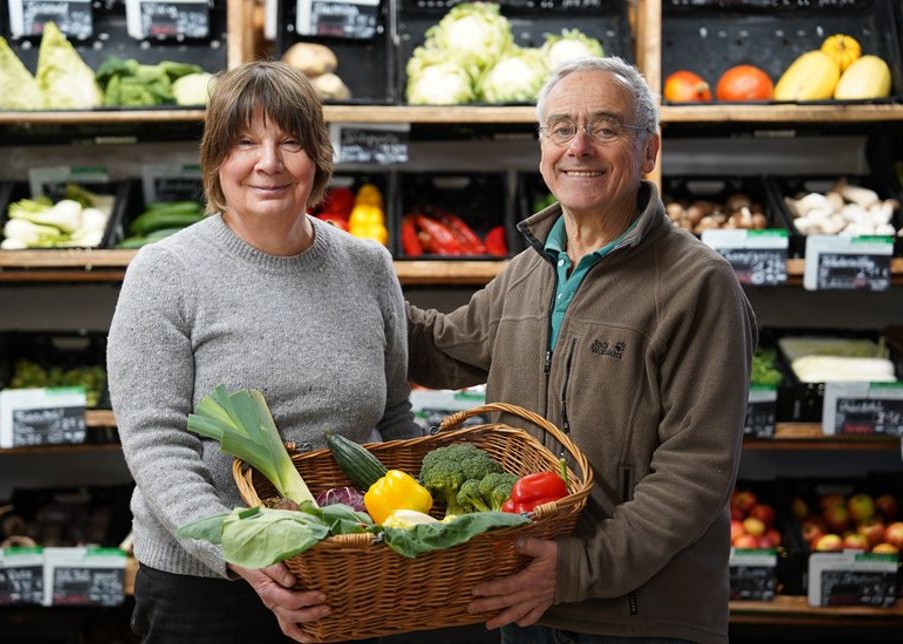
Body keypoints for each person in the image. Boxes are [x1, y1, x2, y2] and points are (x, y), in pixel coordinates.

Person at [406, 56, 757, 644]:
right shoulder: (530, 271)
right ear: (542, 148)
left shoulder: (698, 284)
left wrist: (576, 569)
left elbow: (696, 472)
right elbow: (442, 350)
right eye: (562, 128)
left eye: (607, 127)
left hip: (638, 618)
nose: (580, 146)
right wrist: (340, 266)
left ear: (649, 151)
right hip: (526, 600)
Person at [107, 60, 418, 644]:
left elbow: (394, 418)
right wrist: (237, 551)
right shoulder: (165, 273)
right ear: (216, 159)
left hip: (350, 573)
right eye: (245, 142)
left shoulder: (368, 266)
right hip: (207, 585)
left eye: (291, 142)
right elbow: (156, 444)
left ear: (317, 159)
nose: (269, 163)